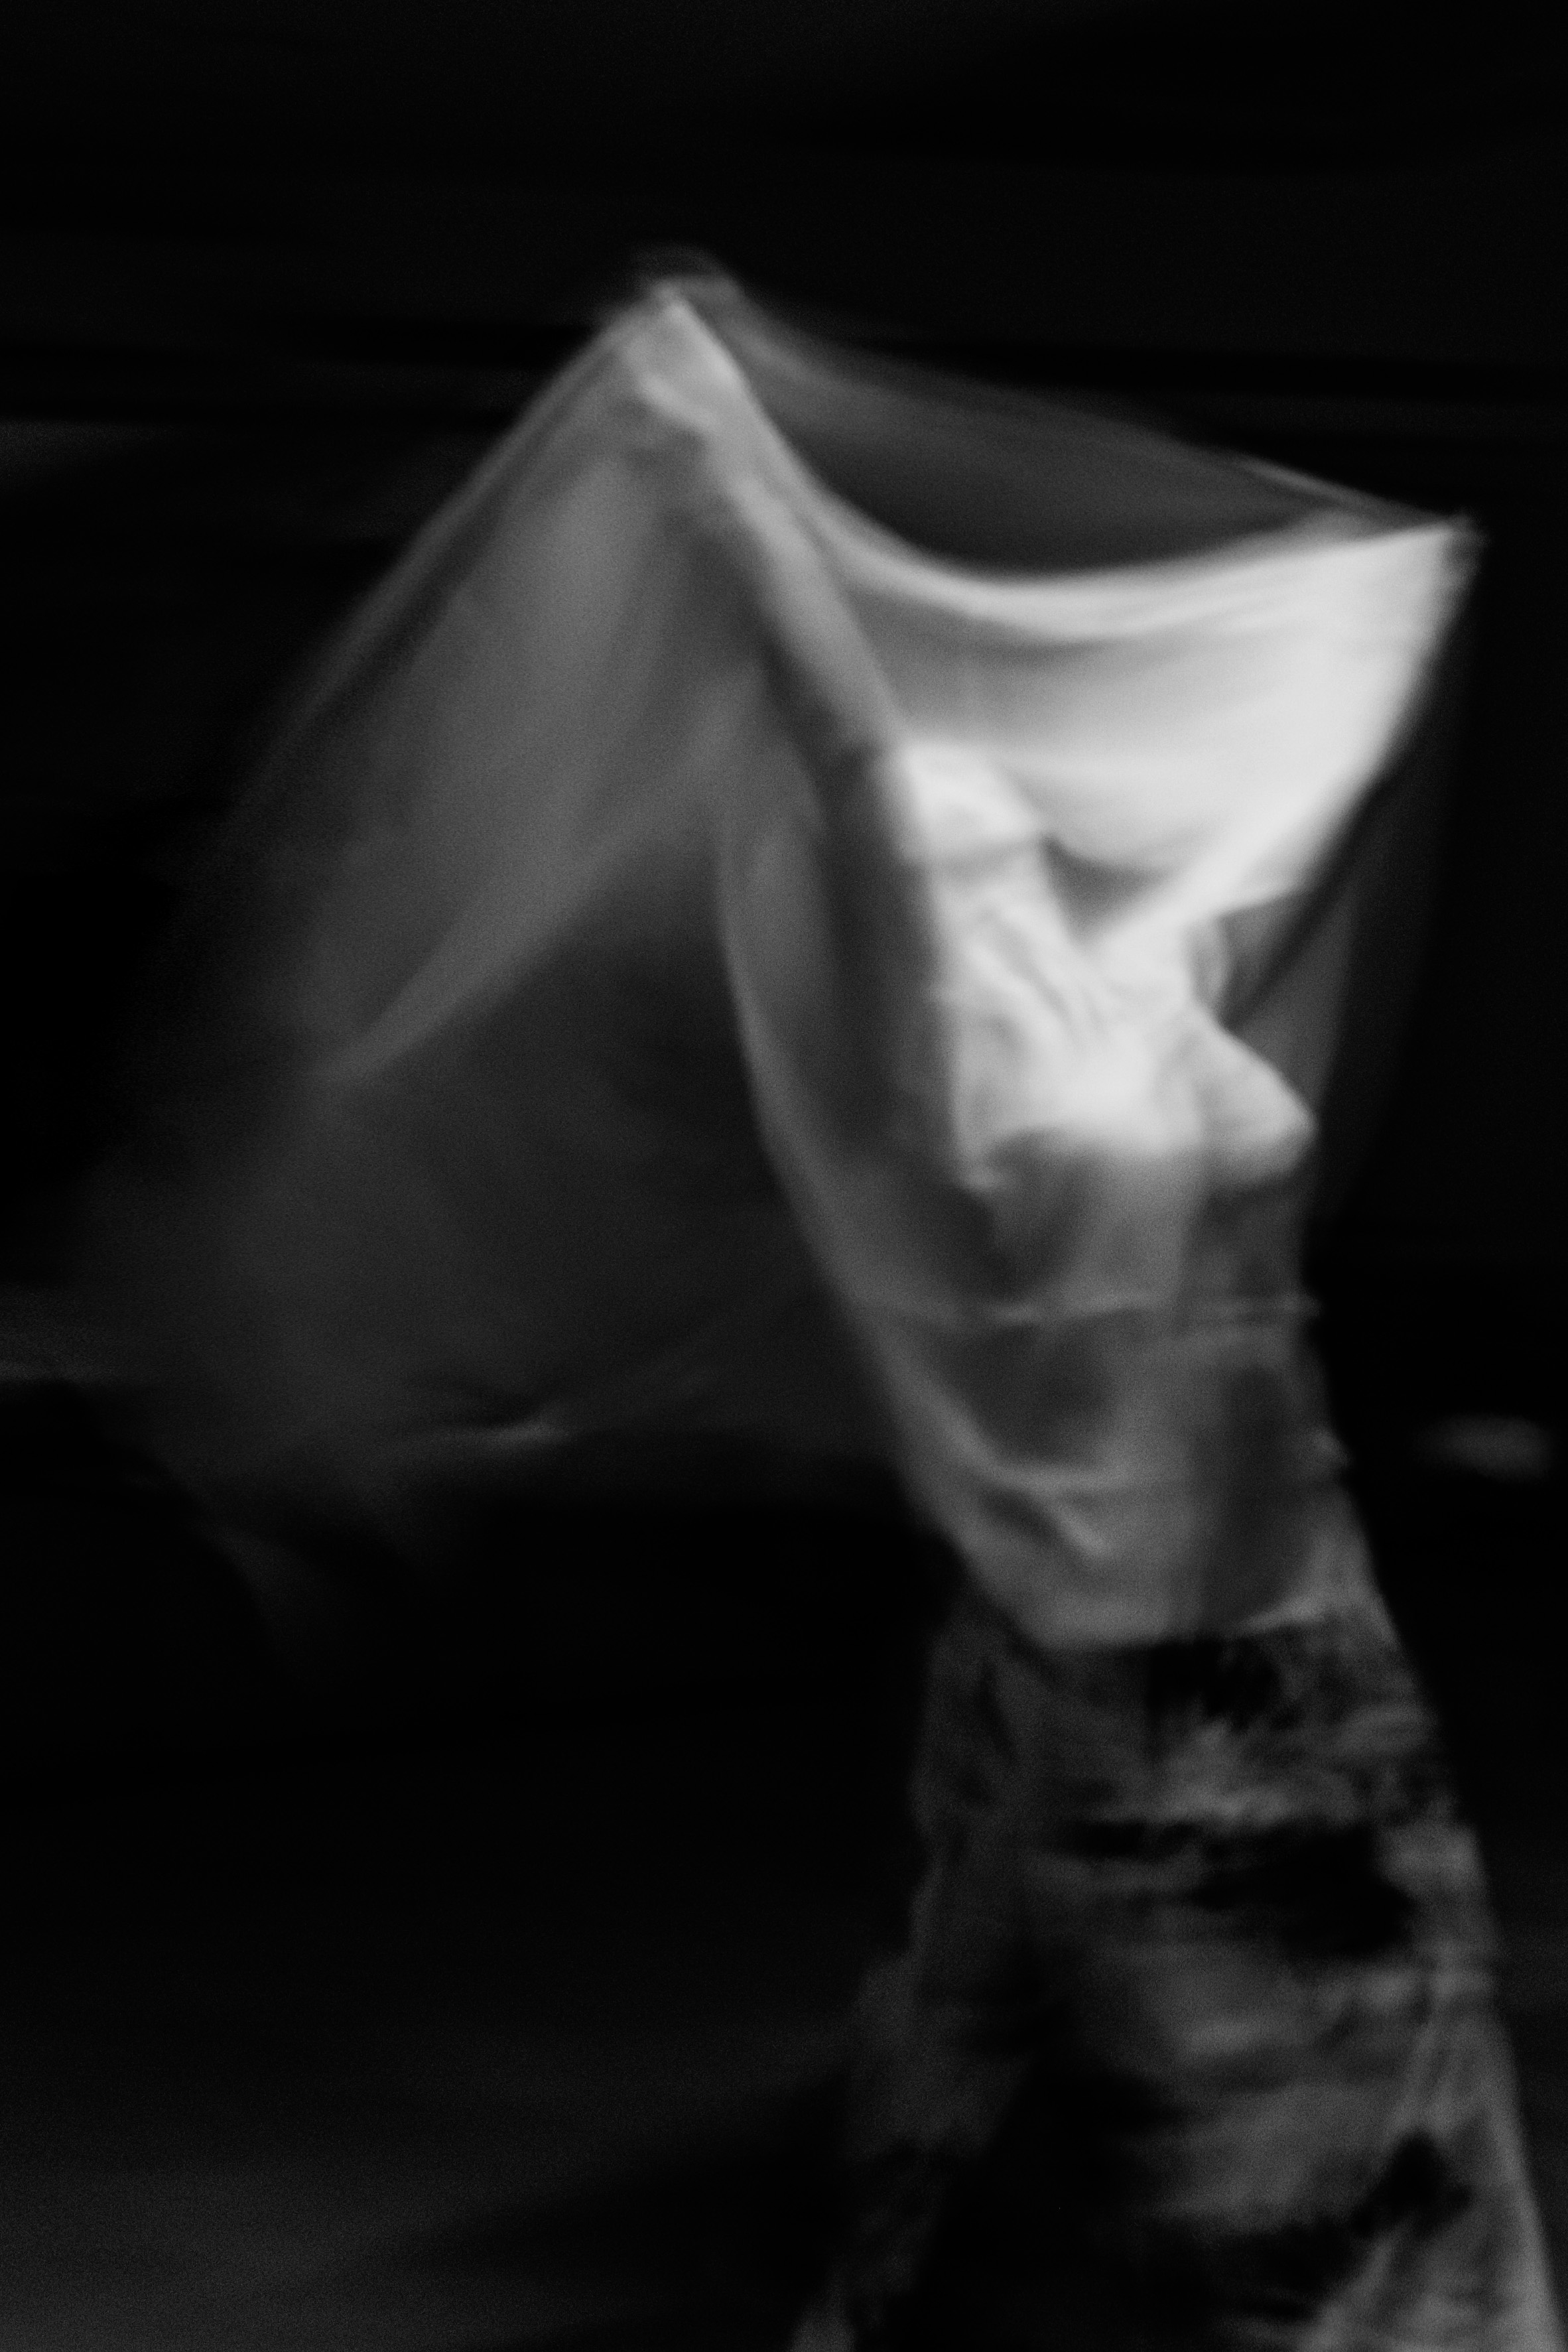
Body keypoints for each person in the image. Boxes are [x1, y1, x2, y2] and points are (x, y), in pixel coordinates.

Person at [78, 274, 1562, 2347]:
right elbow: (860, 753)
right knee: (1310, 2105)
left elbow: (1184, 799)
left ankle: (887, 2270)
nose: (1025, 814)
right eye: (979, 838)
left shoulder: (1118, 984)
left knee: (1033, 2037)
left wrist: (1376, 633)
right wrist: (722, 480)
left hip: (1176, 1635)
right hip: (1184, 1674)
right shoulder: (999, 1088)